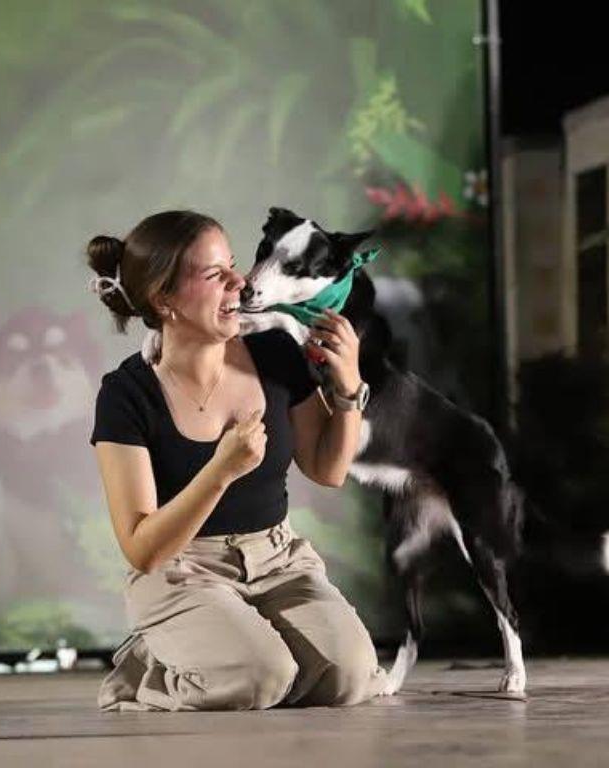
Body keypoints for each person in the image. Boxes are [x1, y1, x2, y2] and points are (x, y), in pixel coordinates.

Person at [86, 210, 385, 711]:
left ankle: (234, 655)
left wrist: (350, 386)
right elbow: (143, 550)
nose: (240, 280)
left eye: (232, 265)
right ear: (164, 299)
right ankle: (150, 671)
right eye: (213, 274)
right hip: (183, 570)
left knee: (349, 677)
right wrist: (222, 470)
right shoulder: (126, 394)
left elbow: (328, 470)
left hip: (279, 561)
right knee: (260, 677)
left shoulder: (274, 352)